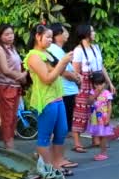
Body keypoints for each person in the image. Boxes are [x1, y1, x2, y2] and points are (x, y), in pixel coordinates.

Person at [24, 25, 74, 176]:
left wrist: (66, 69)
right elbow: (47, 79)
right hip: (46, 100)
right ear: (37, 37)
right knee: (45, 136)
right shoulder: (33, 56)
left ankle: (57, 164)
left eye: (51, 37)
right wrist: (62, 63)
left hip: (58, 97)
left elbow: (56, 71)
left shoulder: (48, 53)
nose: (50, 40)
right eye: (47, 37)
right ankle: (47, 169)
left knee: (61, 131)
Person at [71, 24, 115, 153]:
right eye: (92, 31)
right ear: (86, 34)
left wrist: (109, 83)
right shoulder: (78, 50)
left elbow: (101, 67)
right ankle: (77, 142)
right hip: (84, 83)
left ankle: (96, 138)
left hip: (97, 81)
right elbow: (75, 71)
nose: (94, 33)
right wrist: (80, 86)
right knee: (81, 111)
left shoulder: (96, 48)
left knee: (98, 109)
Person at [48, 23, 80, 169]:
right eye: (65, 31)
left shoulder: (58, 50)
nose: (68, 33)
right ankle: (56, 158)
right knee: (60, 128)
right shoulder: (55, 50)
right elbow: (63, 72)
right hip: (65, 91)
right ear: (58, 34)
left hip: (66, 90)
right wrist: (76, 78)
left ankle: (55, 156)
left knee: (61, 128)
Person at [0, 25, 28, 149]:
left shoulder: (12, 48)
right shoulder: (0, 49)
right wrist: (22, 76)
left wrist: (23, 74)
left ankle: (10, 144)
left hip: (15, 85)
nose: (10, 36)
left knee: (13, 117)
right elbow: (5, 70)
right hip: (5, 86)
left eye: (11, 33)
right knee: (7, 117)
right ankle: (9, 146)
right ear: (0, 36)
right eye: (6, 34)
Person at [85, 72, 114, 161]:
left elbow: (109, 106)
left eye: (101, 84)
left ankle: (103, 153)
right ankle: (101, 152)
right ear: (93, 84)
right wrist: (95, 94)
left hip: (103, 117)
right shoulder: (92, 92)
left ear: (104, 84)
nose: (99, 86)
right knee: (98, 134)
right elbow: (89, 102)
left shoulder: (107, 93)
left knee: (103, 135)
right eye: (96, 84)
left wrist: (108, 118)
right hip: (95, 118)